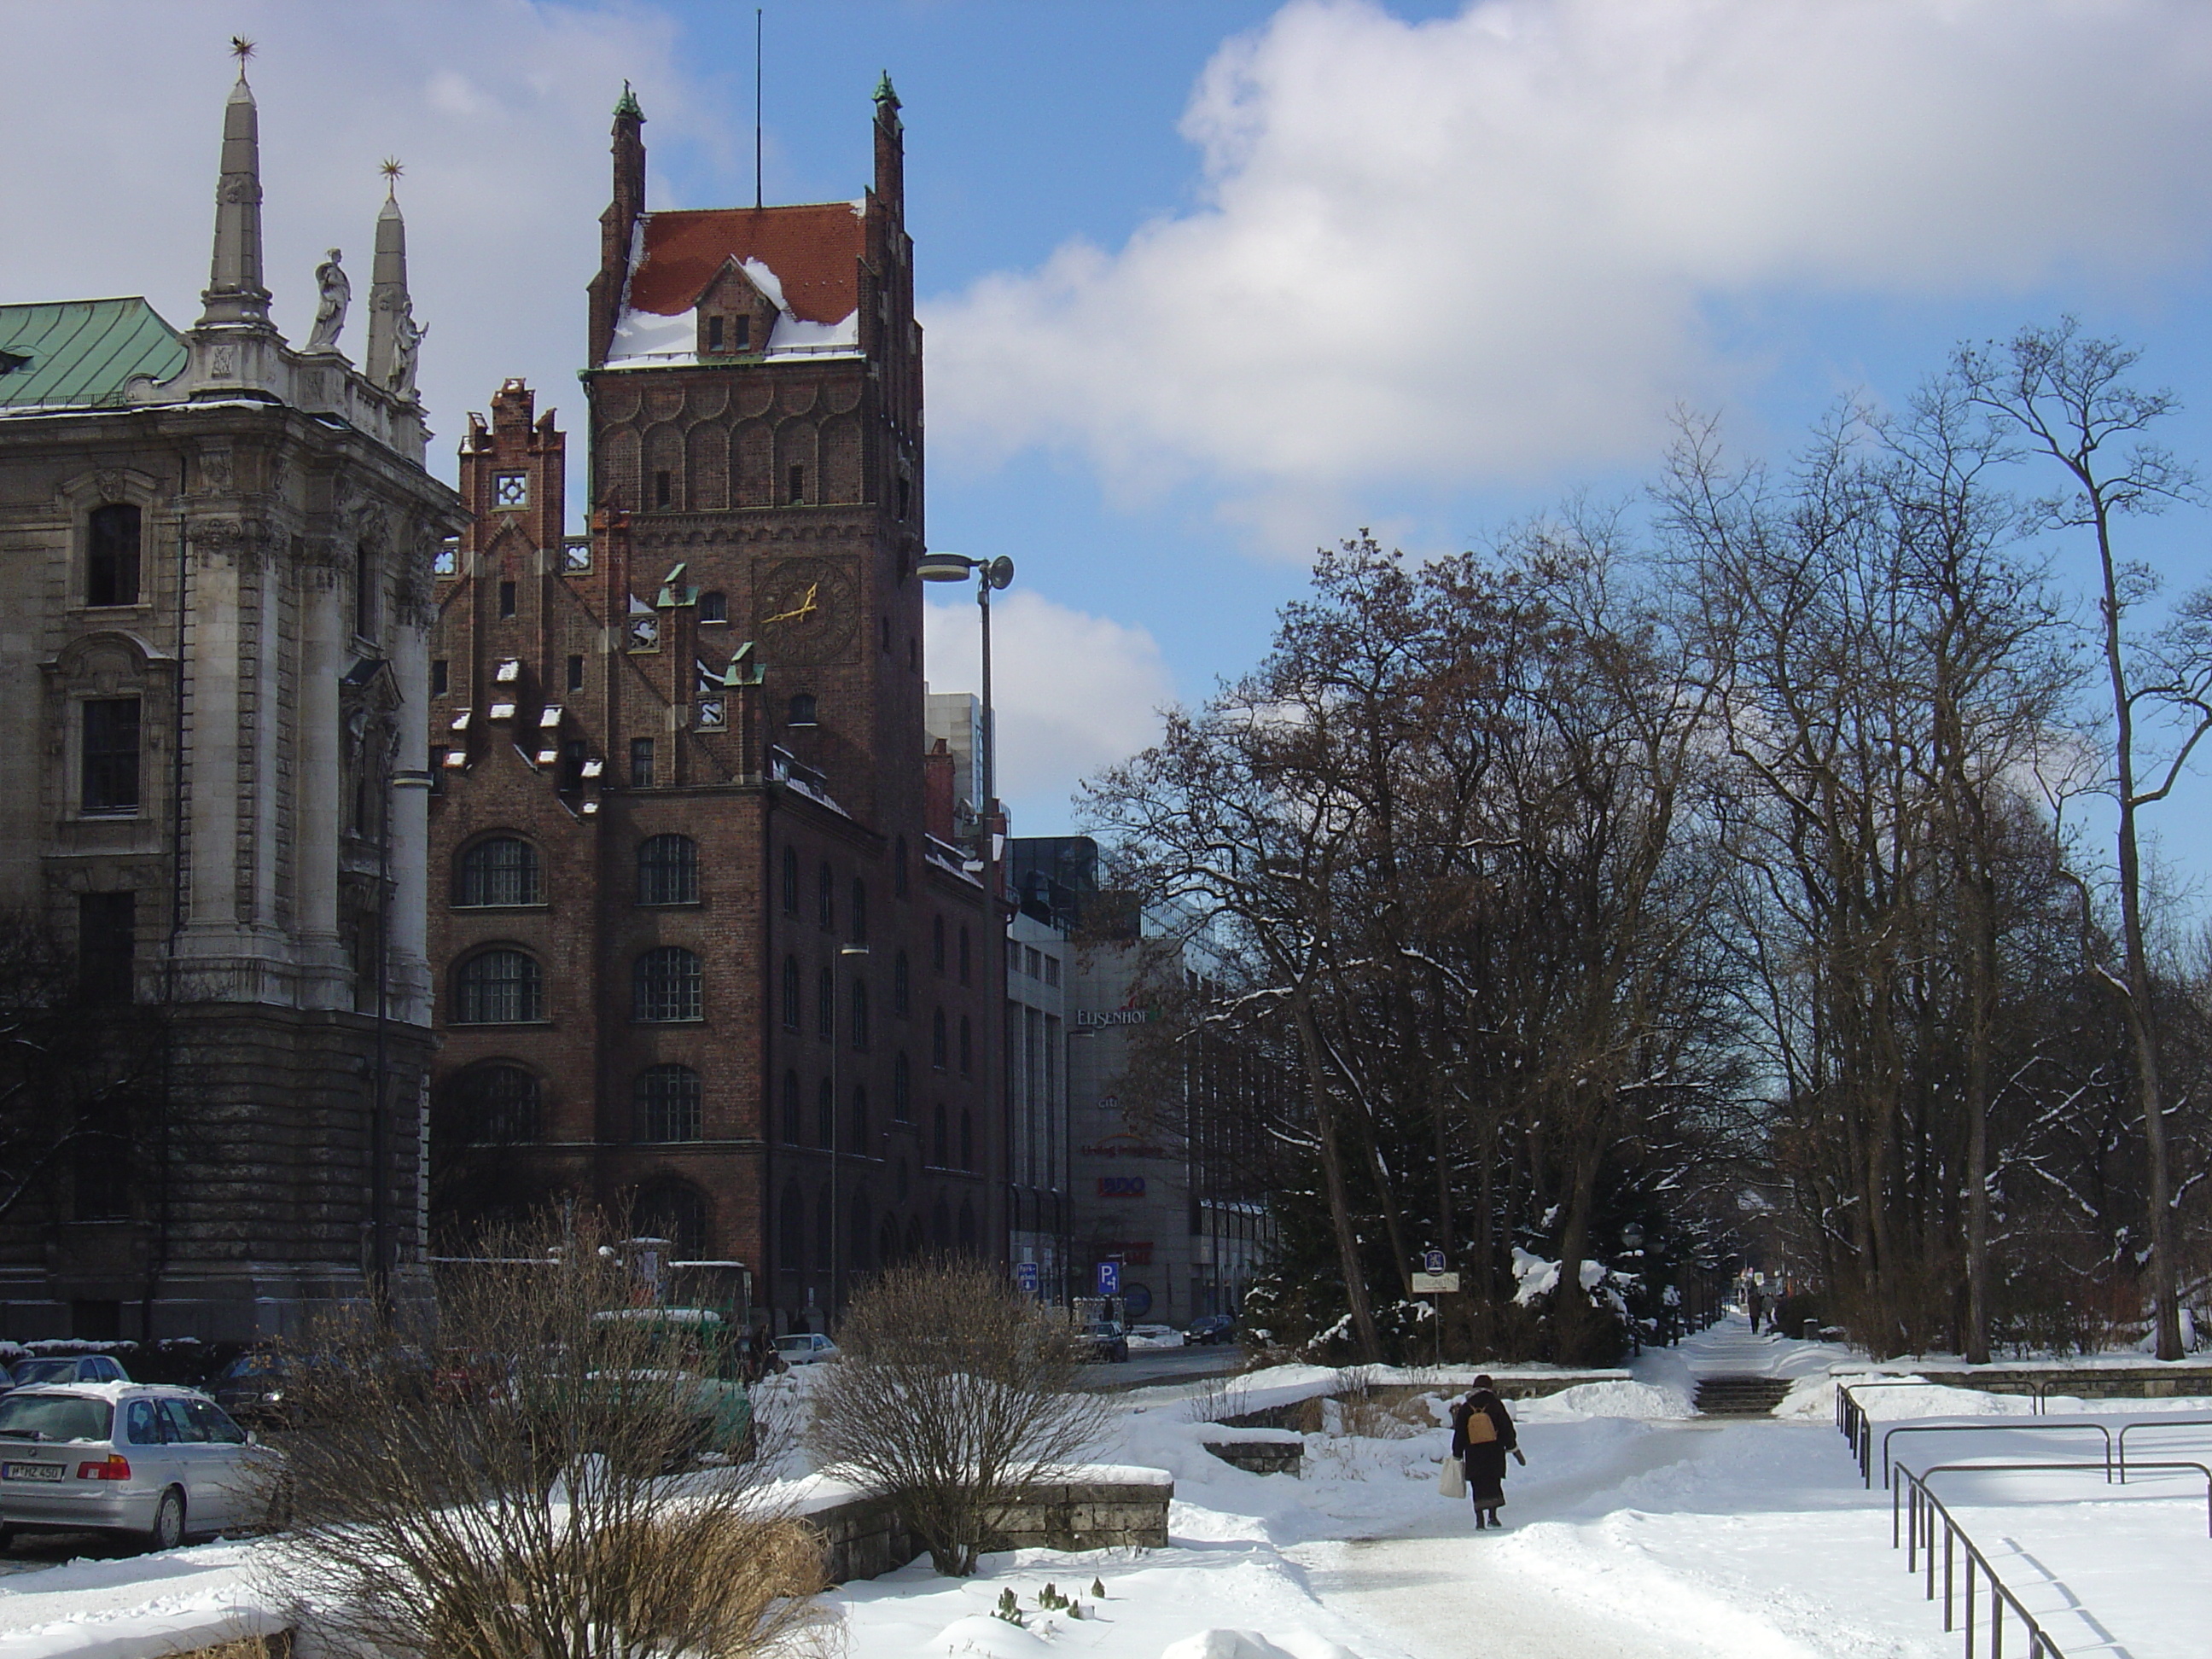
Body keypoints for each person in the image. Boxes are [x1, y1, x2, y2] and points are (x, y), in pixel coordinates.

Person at [1450, 1375, 1524, 1530]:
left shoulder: (1466, 1407)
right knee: (1493, 1482)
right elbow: (1506, 1428)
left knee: (1478, 1485)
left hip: (1473, 1452)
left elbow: (1460, 1433)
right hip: (1494, 1451)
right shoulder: (1495, 1405)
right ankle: (1492, 1516)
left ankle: (1479, 1520)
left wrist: (1457, 1453)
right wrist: (1513, 1448)